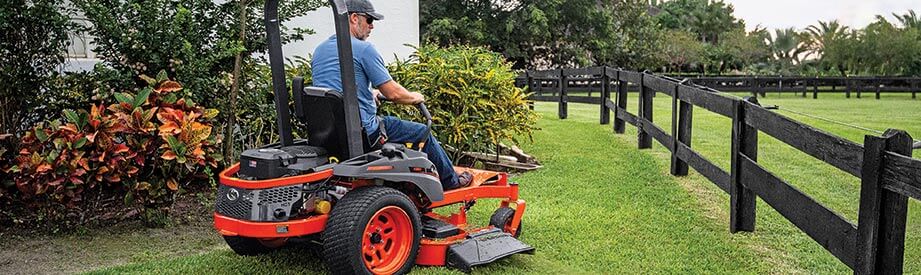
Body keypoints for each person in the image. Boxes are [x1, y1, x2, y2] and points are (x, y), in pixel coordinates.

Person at [311, 0, 472, 190]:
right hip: (364, 133)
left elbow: (336, 89)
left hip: (332, 134)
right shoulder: (364, 49)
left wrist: (370, 93)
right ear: (354, 18)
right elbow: (394, 93)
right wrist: (415, 96)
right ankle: (450, 181)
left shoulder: (320, 51)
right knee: (421, 132)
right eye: (369, 20)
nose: (372, 26)